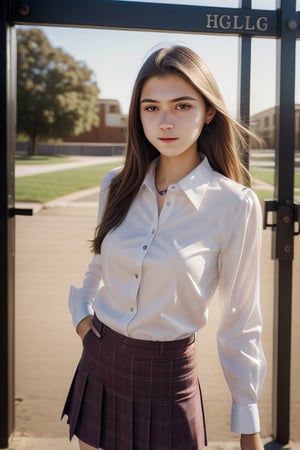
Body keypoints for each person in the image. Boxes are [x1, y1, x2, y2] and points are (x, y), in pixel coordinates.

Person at [62, 45, 266, 450]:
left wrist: (249, 427)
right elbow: (97, 269)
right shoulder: (115, 185)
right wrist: (83, 321)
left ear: (208, 112)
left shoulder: (235, 204)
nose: (165, 122)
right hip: (99, 364)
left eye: (182, 105)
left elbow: (241, 322)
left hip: (167, 381)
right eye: (151, 107)